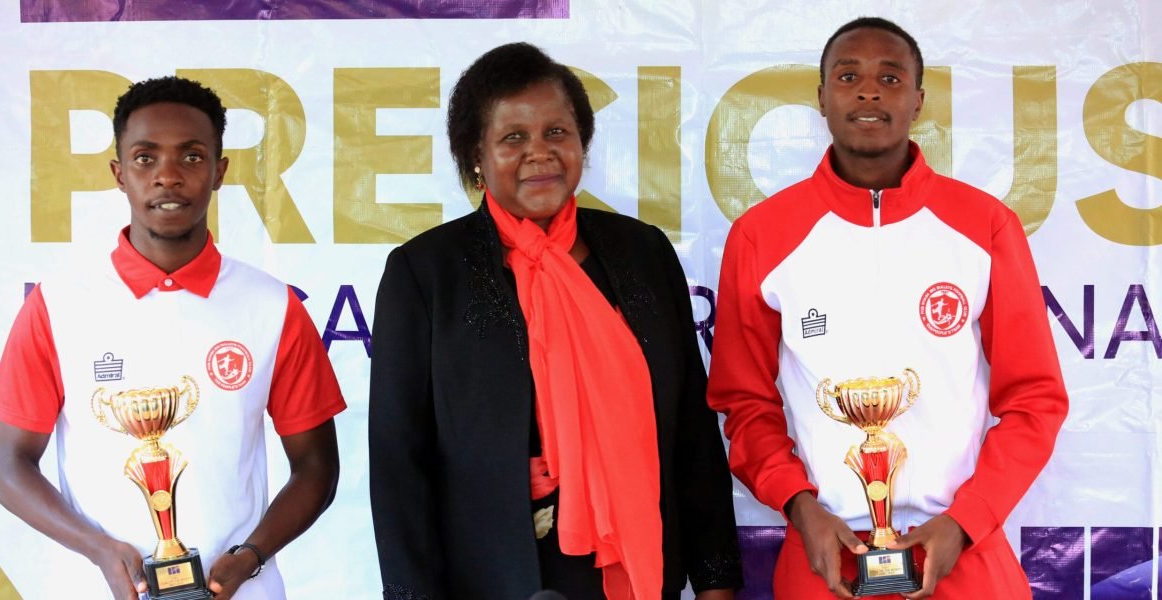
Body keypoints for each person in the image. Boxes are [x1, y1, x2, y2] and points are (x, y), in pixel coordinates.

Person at [707, 17, 1068, 600]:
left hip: (961, 553)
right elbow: (745, 403)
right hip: (825, 556)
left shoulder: (984, 227)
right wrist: (800, 508)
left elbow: (1035, 402)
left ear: (918, 101)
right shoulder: (762, 236)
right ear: (821, 98)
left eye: (890, 77)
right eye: (848, 76)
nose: (869, 90)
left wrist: (967, 519)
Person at [369, 42, 742, 600]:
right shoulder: (425, 273)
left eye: (556, 133)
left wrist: (714, 581)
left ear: (582, 142)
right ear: (475, 154)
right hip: (492, 575)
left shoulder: (641, 253)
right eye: (513, 138)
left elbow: (690, 429)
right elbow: (399, 463)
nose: (539, 153)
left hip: (635, 573)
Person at [0, 76, 345, 600]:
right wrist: (100, 550)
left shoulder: (273, 307)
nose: (168, 177)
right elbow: (8, 465)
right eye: (146, 158)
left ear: (220, 172)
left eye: (192, 157)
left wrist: (250, 557)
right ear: (119, 174)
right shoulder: (57, 305)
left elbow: (317, 468)